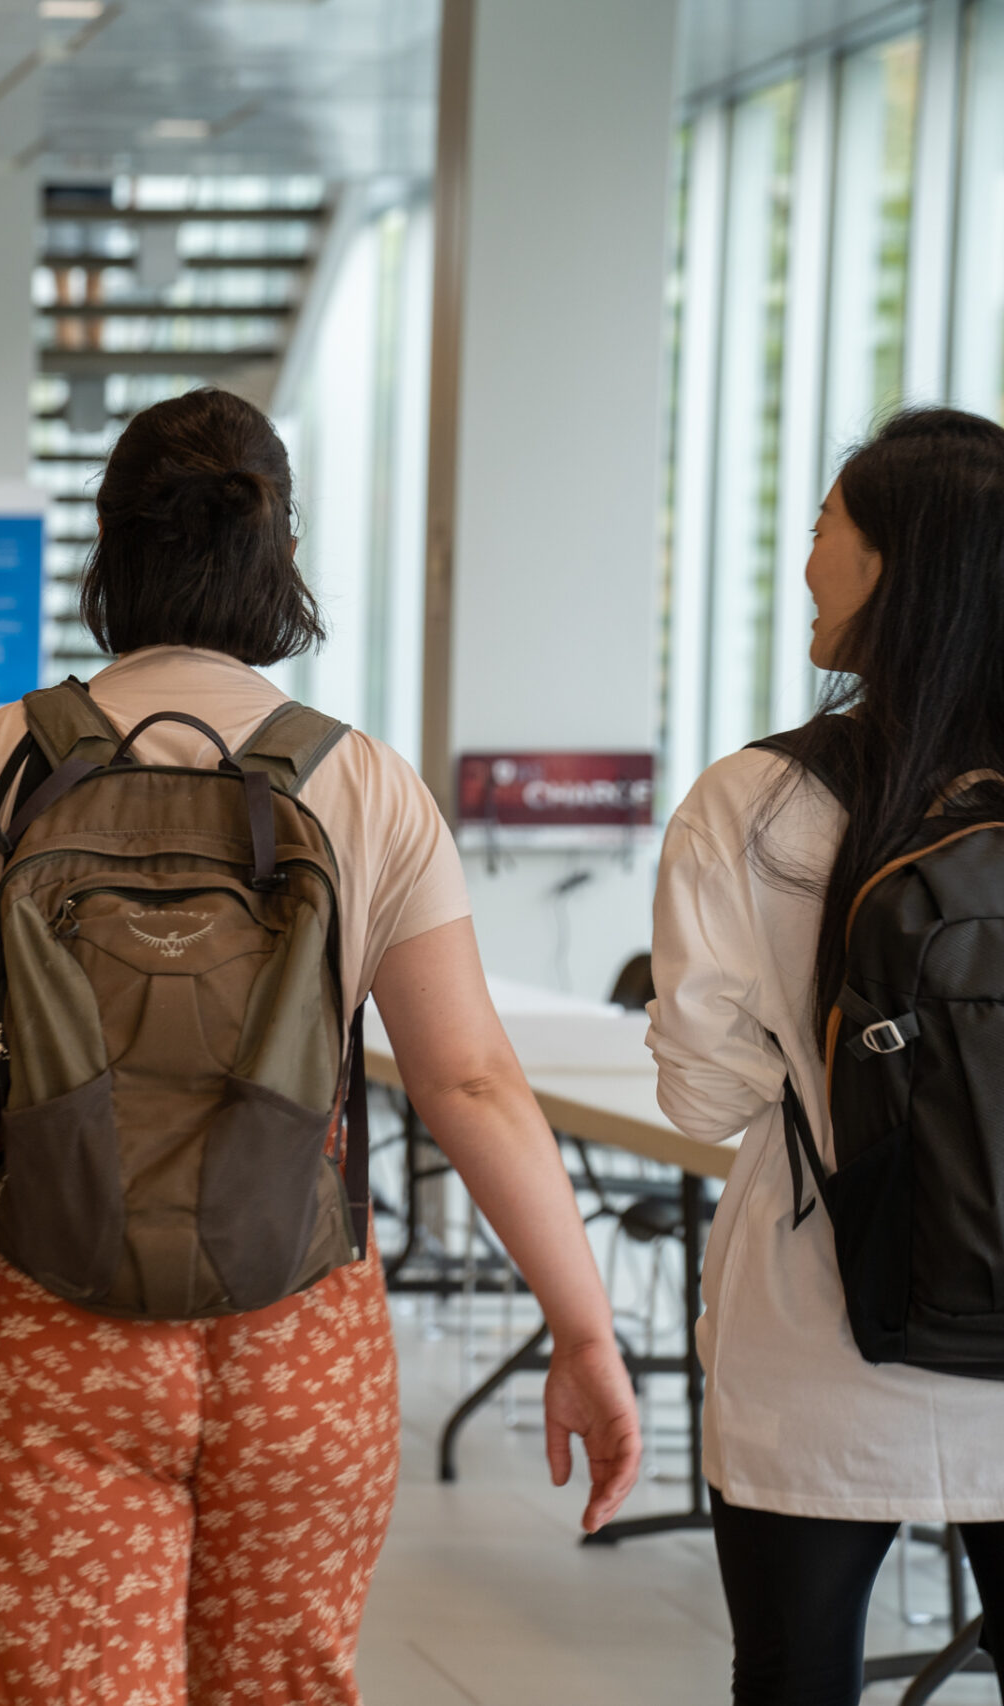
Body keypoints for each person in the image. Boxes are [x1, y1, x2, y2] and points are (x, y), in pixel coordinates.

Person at [0, 388, 642, 1706]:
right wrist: (584, 1327)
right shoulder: (367, 783)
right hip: (299, 1330)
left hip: (49, 1314)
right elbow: (471, 1081)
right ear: (281, 554)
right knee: (284, 1683)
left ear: (110, 551)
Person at [648, 408, 1004, 1706]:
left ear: (891, 564)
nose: (803, 563)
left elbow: (703, 1091)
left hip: (820, 1333)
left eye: (821, 530)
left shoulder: (756, 802)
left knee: (795, 1676)